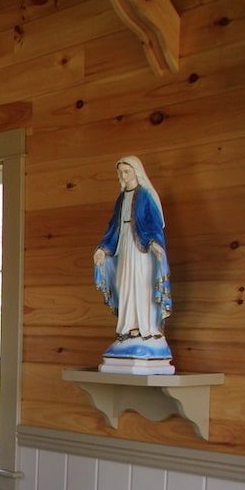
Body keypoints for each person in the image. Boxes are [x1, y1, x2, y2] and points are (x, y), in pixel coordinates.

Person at [92, 155, 174, 373]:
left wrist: (156, 244)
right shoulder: (121, 199)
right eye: (120, 172)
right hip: (124, 246)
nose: (123, 176)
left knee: (142, 286)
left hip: (142, 249)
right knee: (125, 286)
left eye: (126, 171)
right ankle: (129, 329)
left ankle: (148, 330)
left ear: (136, 172)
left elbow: (154, 223)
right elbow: (113, 227)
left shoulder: (145, 195)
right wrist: (103, 248)